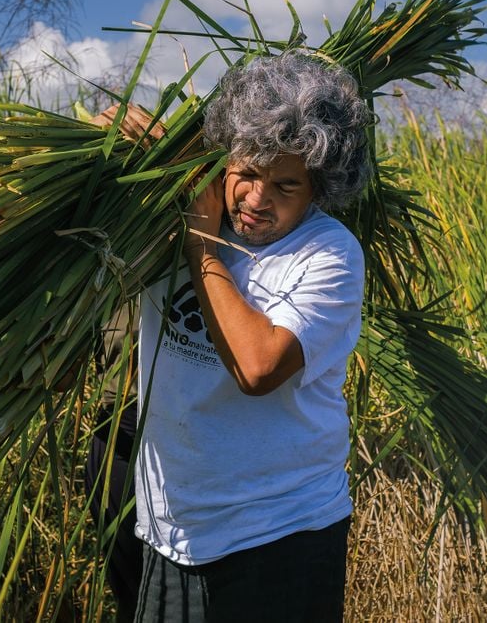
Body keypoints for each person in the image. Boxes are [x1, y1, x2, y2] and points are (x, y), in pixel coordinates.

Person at [130, 50, 372, 622]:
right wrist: (105, 142)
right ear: (223, 163)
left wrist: (201, 245)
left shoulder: (328, 254)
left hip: (279, 535)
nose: (258, 200)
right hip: (170, 528)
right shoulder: (163, 213)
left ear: (317, 189)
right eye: (248, 174)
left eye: (286, 186)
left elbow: (258, 368)